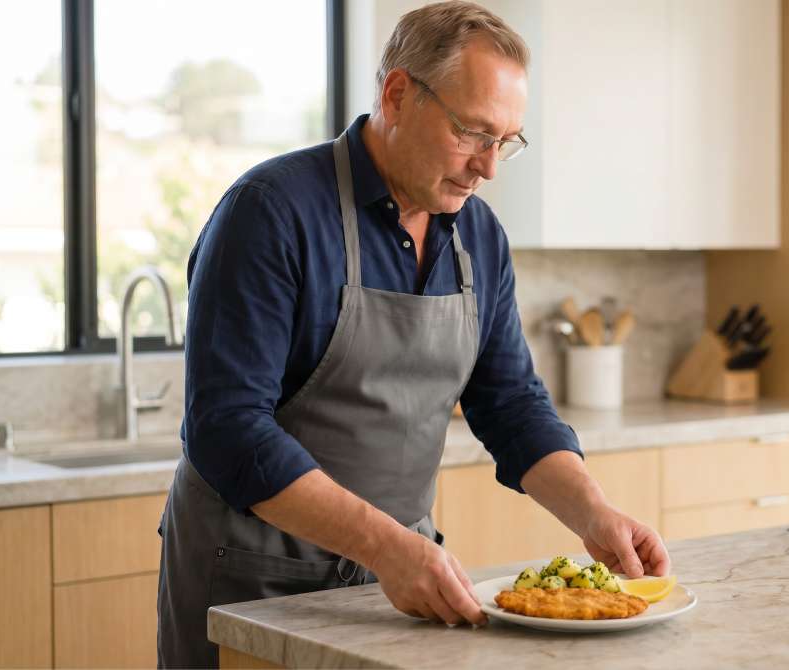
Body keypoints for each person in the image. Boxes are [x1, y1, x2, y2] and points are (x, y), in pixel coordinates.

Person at [157, 2, 670, 666]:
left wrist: (594, 514)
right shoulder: (270, 214)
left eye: (505, 140)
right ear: (397, 95)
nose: (487, 167)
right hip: (255, 583)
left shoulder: (479, 237)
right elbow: (227, 428)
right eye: (472, 132)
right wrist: (387, 546)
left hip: (398, 586)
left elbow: (510, 404)